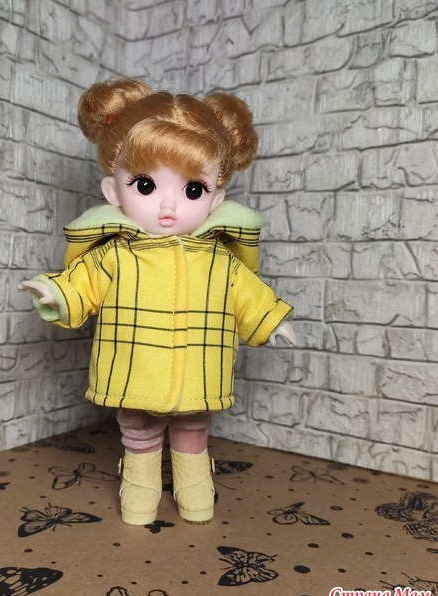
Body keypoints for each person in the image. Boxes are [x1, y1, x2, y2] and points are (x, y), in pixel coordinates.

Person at [19, 78, 296, 526]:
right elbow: (82, 284)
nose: (168, 207)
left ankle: (195, 488)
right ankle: (139, 487)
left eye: (192, 190)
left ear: (215, 198)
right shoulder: (116, 254)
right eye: (145, 185)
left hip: (196, 368)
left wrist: (271, 320)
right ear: (113, 192)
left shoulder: (219, 260)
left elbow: (248, 293)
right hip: (137, 367)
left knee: (192, 427)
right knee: (138, 428)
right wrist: (55, 292)